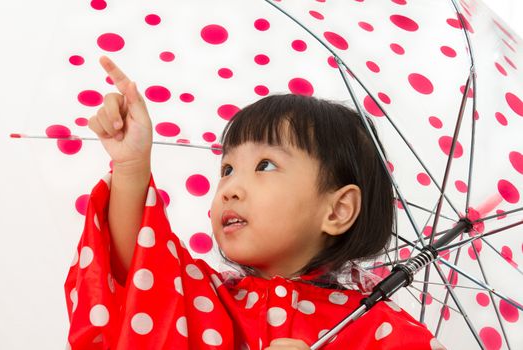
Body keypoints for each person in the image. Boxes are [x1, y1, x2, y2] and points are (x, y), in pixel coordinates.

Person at [64, 56, 444, 349]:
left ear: (337, 209)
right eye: (227, 168)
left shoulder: (384, 332)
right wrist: (131, 165)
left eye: (265, 165)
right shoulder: (205, 297)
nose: (230, 188)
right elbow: (137, 268)